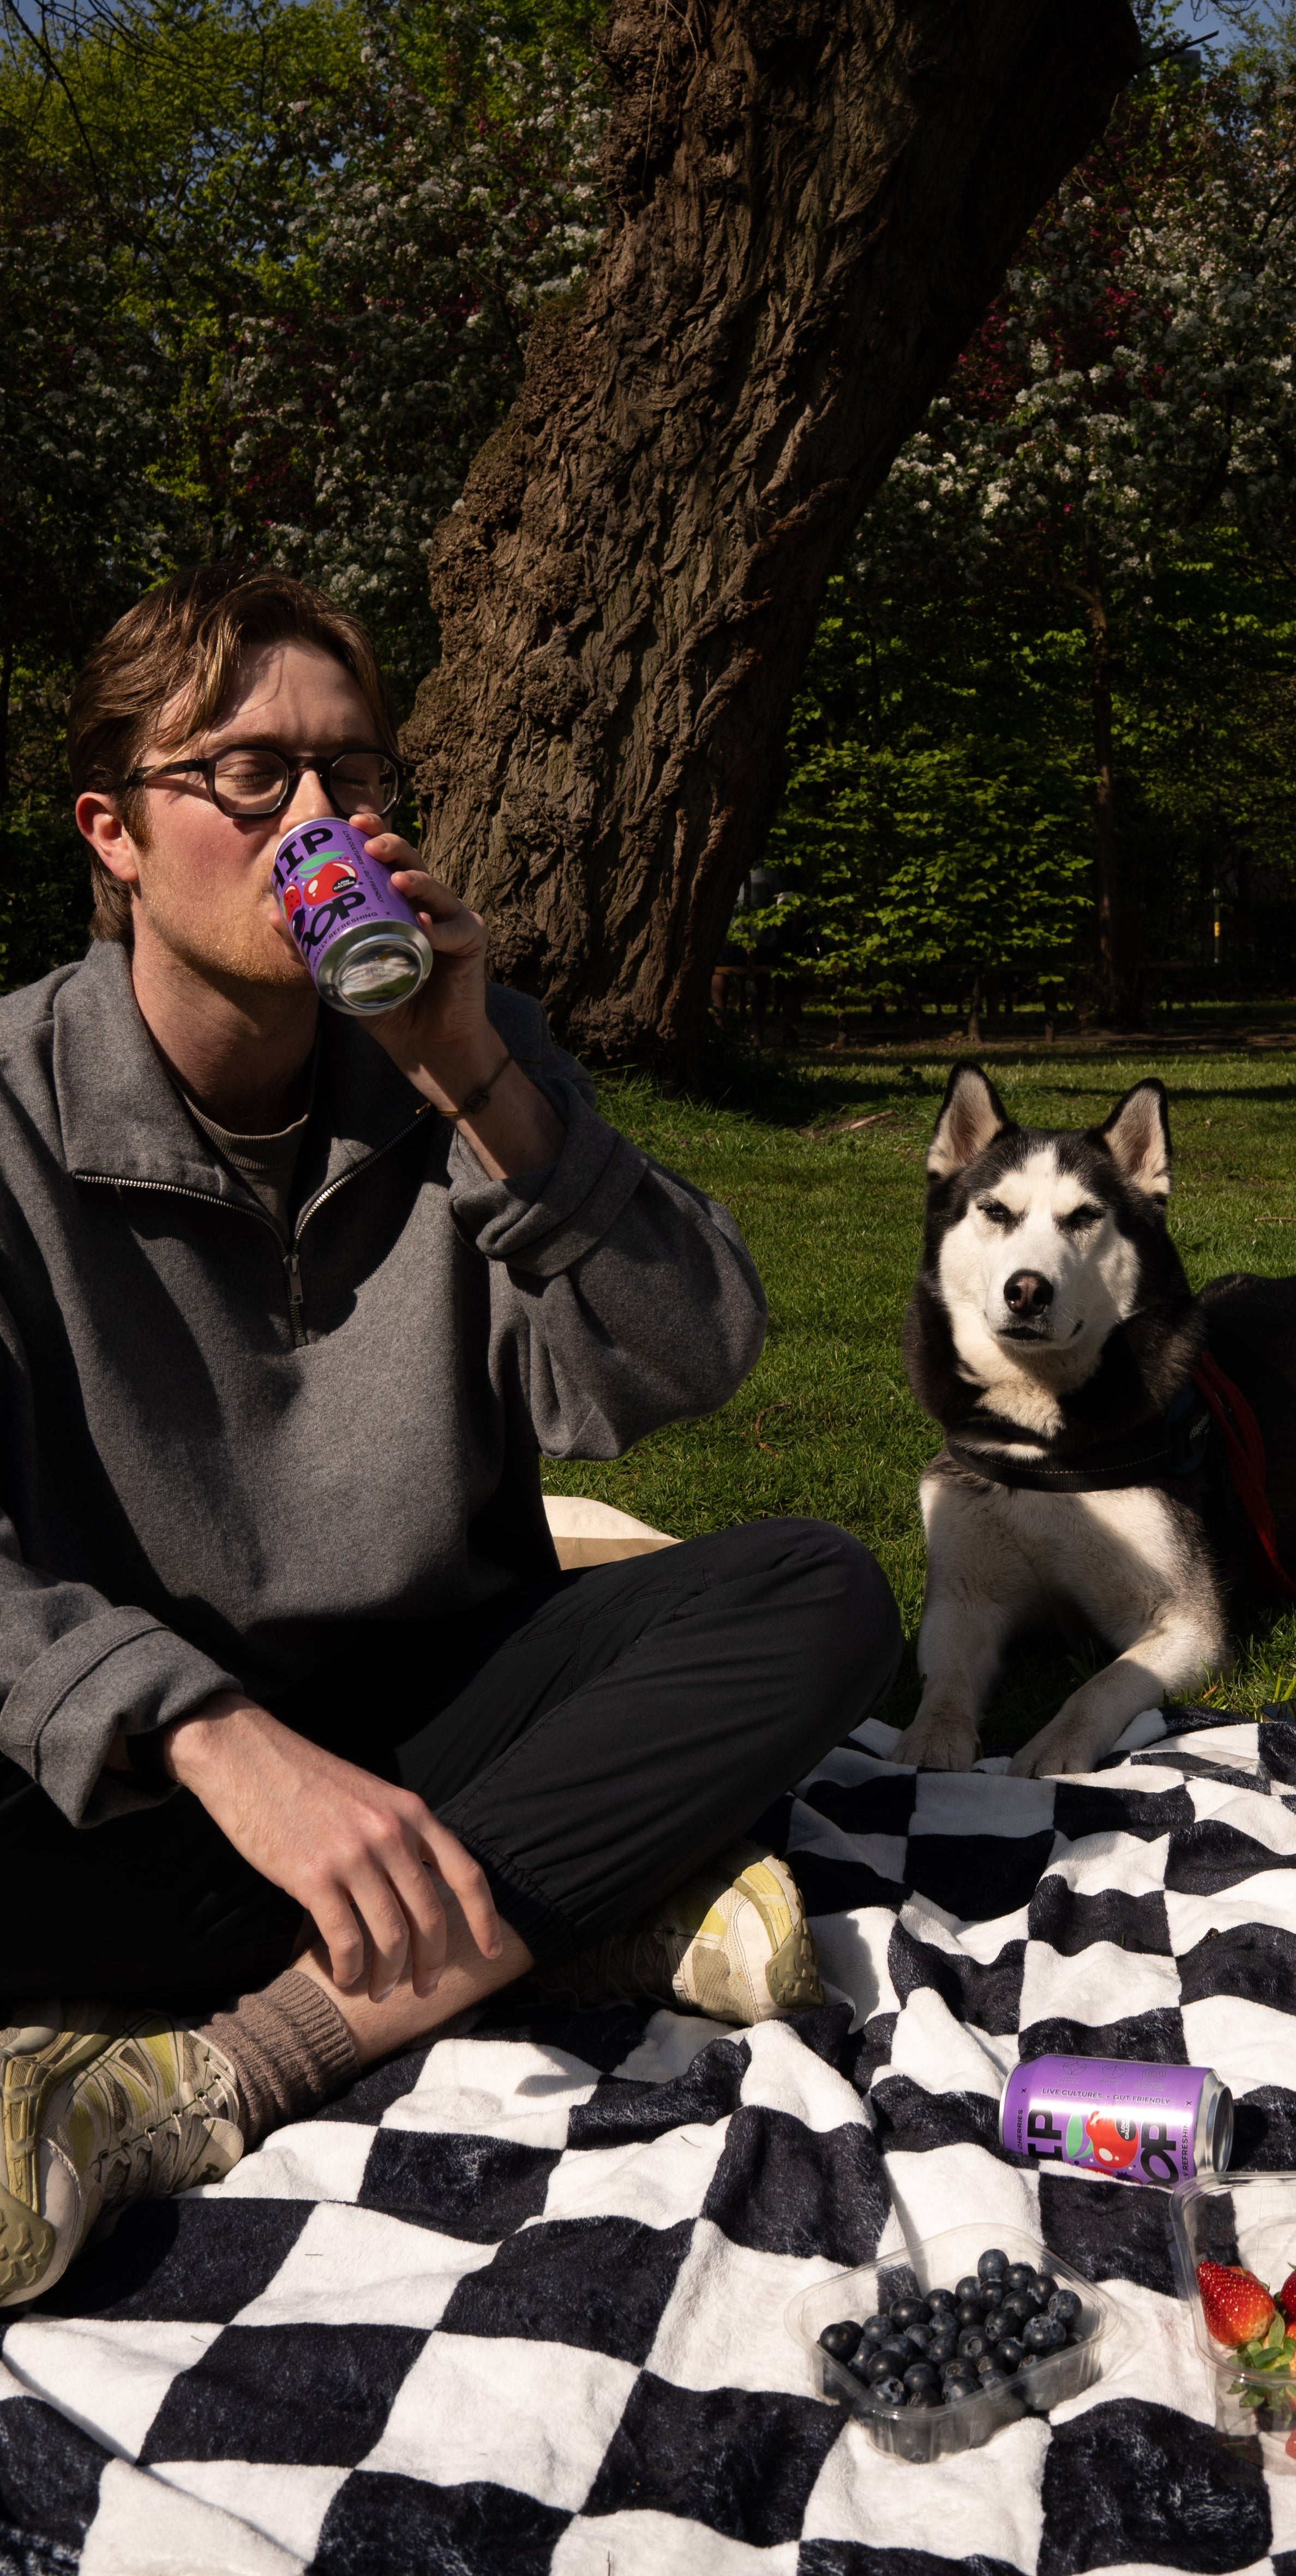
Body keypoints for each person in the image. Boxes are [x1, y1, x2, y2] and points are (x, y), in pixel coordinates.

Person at [0, 566, 900, 2305]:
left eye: (352, 774)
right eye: (251, 775)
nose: (318, 820)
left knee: (816, 1591)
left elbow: (691, 1356)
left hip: (433, 1700)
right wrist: (203, 1732)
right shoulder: (12, 1115)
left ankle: (212, 2073)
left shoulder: (455, 1063)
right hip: (141, 1769)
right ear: (116, 833)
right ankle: (580, 1896)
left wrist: (474, 1075)